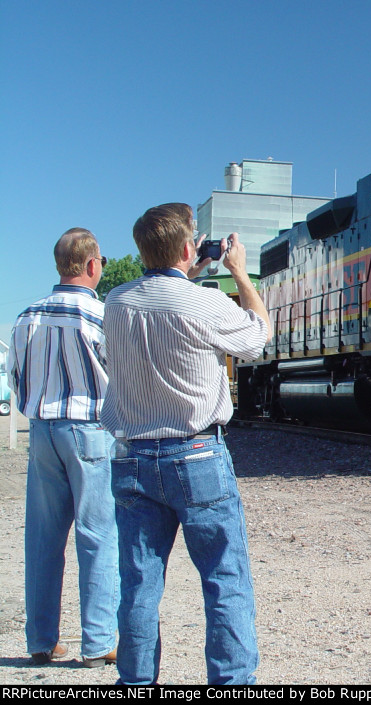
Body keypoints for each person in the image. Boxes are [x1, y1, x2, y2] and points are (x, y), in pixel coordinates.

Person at [101, 203, 271, 685]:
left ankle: (134, 683)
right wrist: (238, 272)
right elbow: (258, 337)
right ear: (186, 247)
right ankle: (232, 682)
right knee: (225, 579)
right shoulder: (205, 302)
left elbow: (160, 298)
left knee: (138, 584)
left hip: (133, 458)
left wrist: (183, 269)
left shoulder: (116, 302)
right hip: (197, 456)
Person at [8, 228, 119, 667]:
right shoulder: (101, 316)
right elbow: (120, 376)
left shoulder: (27, 316)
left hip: (41, 429)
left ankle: (41, 640)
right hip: (90, 428)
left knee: (42, 537)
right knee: (97, 535)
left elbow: (16, 379)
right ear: (93, 265)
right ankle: (97, 642)